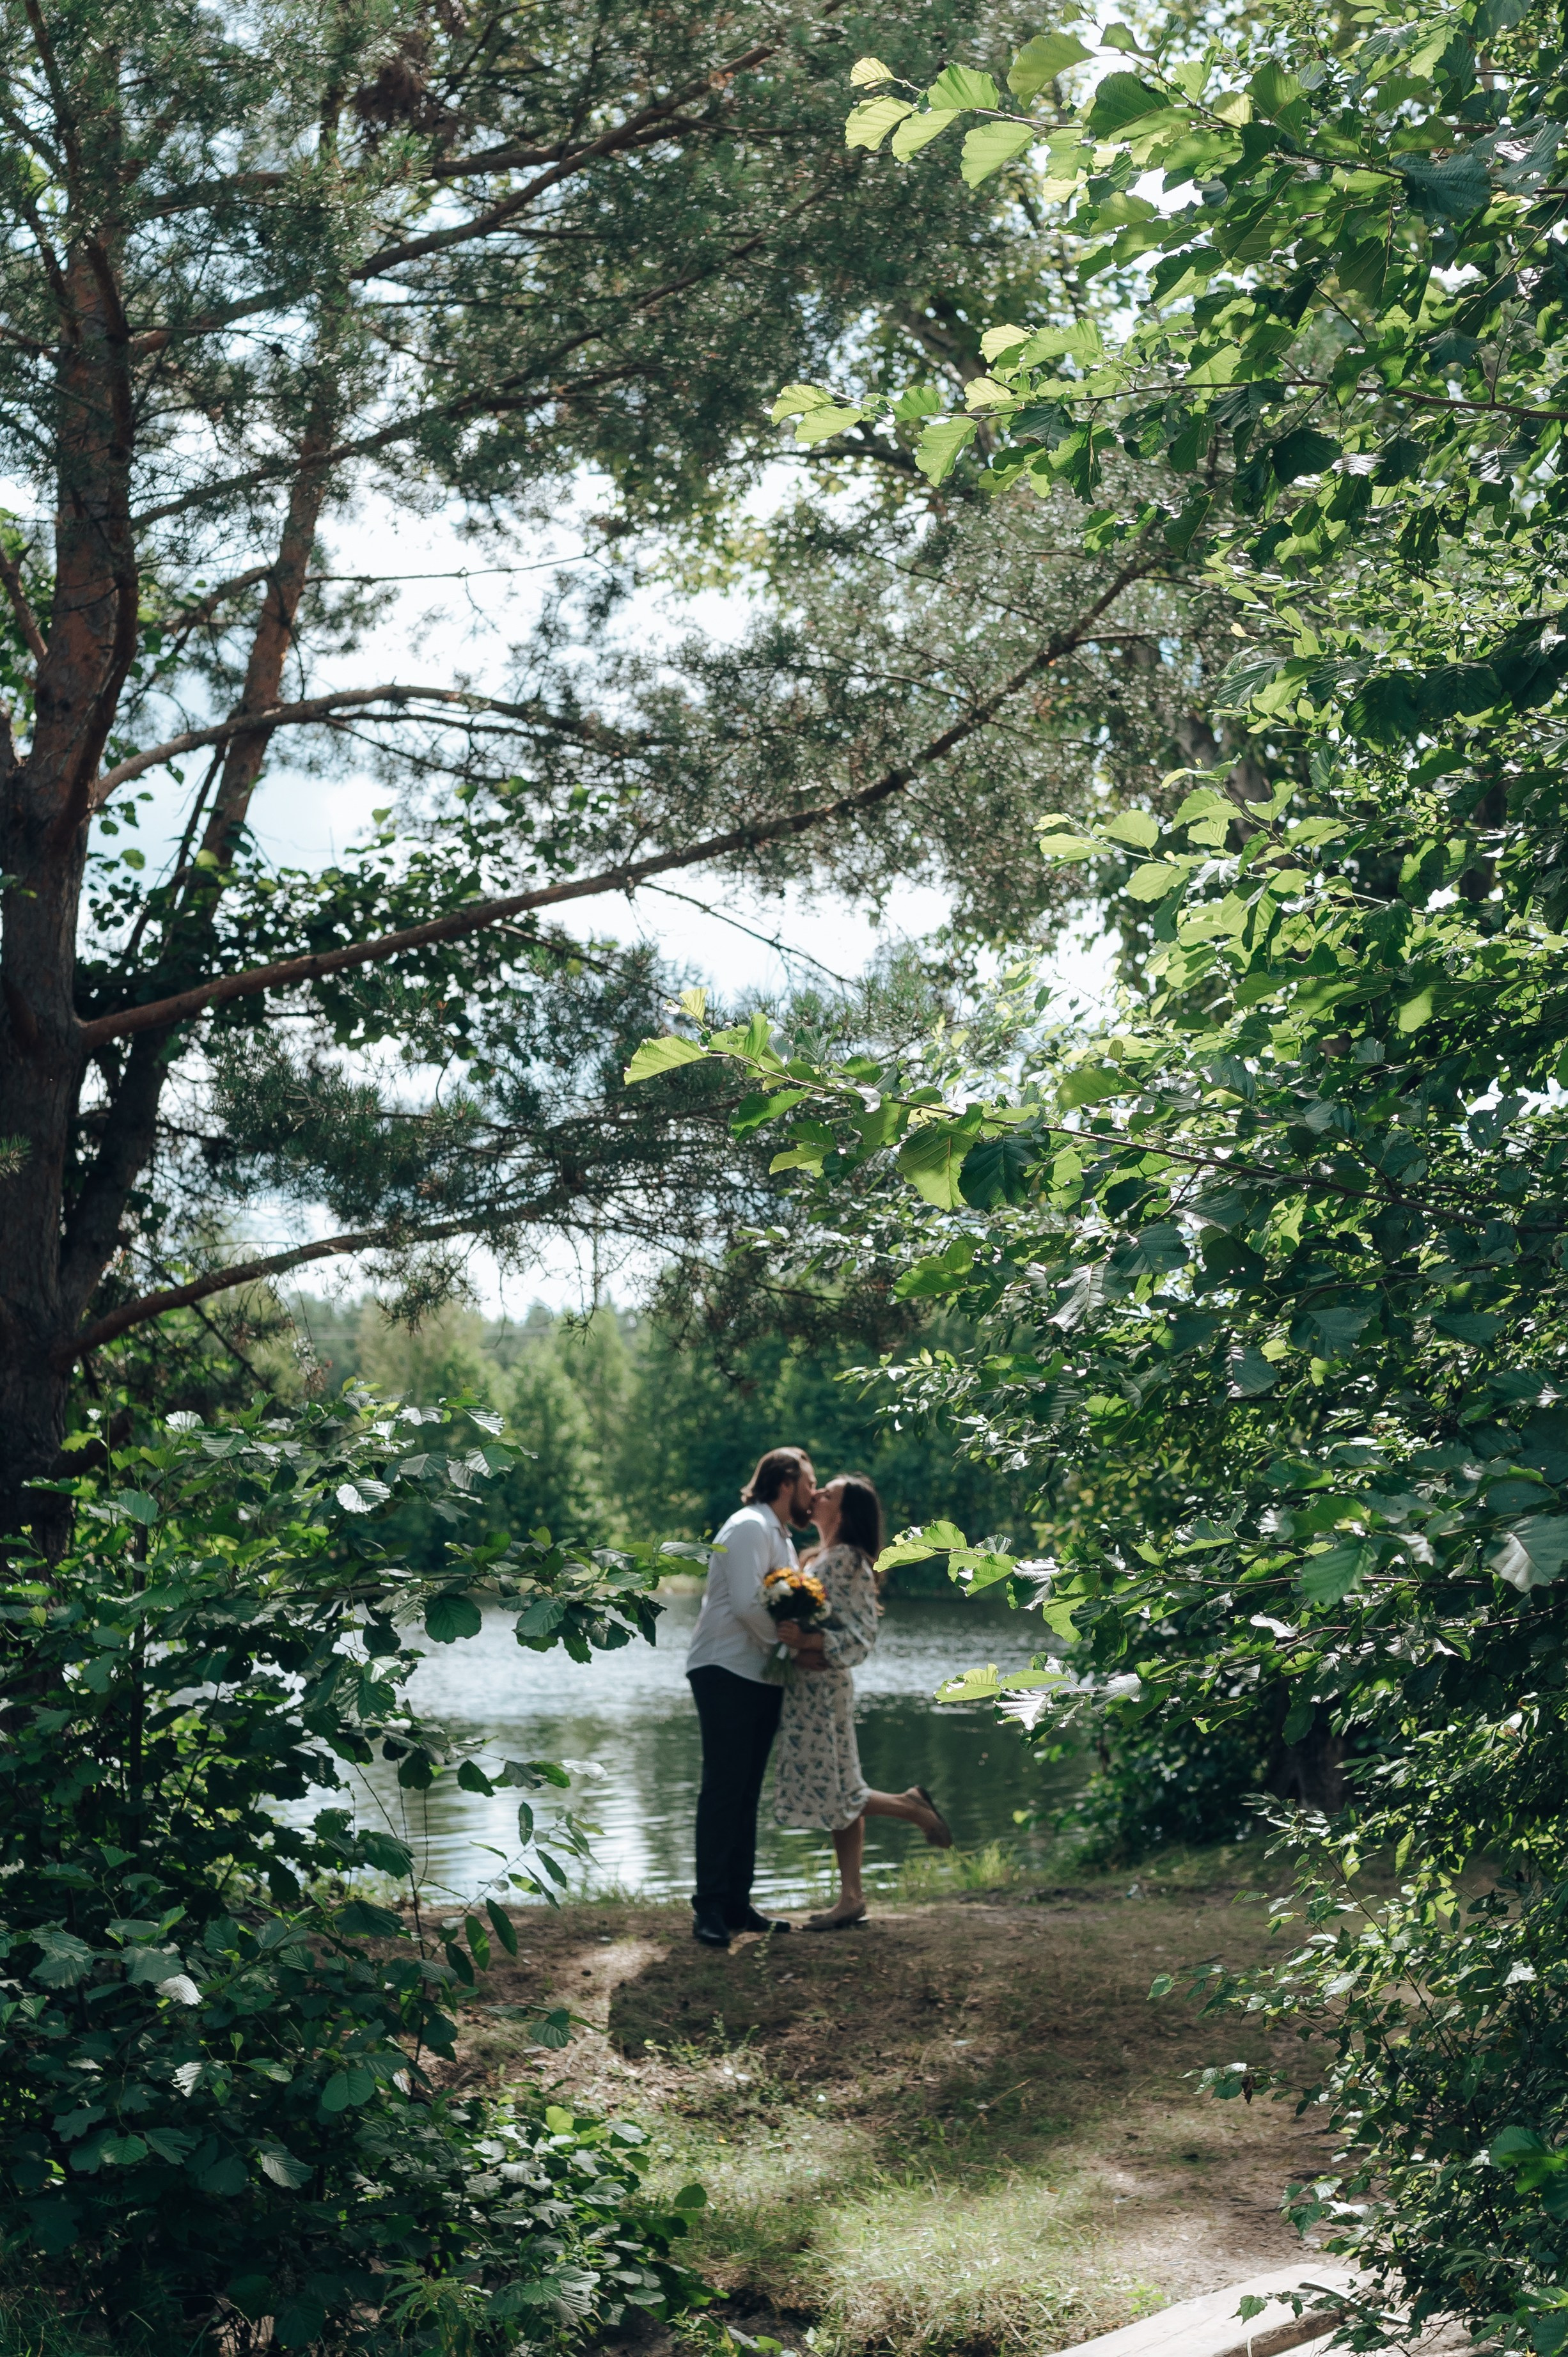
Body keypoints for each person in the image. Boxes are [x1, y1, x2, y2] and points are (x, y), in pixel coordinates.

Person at [771, 1473, 952, 1931]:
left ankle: (911, 1809)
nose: (815, 1496)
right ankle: (852, 1897)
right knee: (840, 1787)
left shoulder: (846, 1560)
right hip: (812, 1689)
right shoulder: (823, 1557)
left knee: (839, 1790)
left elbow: (860, 1638)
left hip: (824, 1692)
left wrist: (809, 1641)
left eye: (827, 1494)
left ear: (844, 1512)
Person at [686, 1445, 819, 1948]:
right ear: (785, 1482)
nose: (812, 1493)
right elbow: (745, 1603)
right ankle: (710, 1908)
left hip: (761, 1674)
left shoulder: (779, 1536)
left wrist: (788, 1649)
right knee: (723, 1788)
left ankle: (738, 1904)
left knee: (745, 1791)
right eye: (808, 1484)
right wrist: (784, 1645)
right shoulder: (747, 1527)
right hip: (724, 1668)